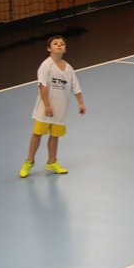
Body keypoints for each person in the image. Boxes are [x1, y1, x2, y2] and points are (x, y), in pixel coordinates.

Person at [19, 35, 86, 178]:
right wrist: (47, 105)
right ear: (49, 49)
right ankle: (29, 162)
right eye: (56, 44)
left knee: (55, 136)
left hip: (60, 110)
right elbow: (43, 86)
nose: (60, 45)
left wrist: (81, 103)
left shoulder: (68, 68)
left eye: (62, 43)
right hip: (45, 109)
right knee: (37, 135)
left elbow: (76, 86)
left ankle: (51, 162)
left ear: (65, 48)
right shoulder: (46, 65)